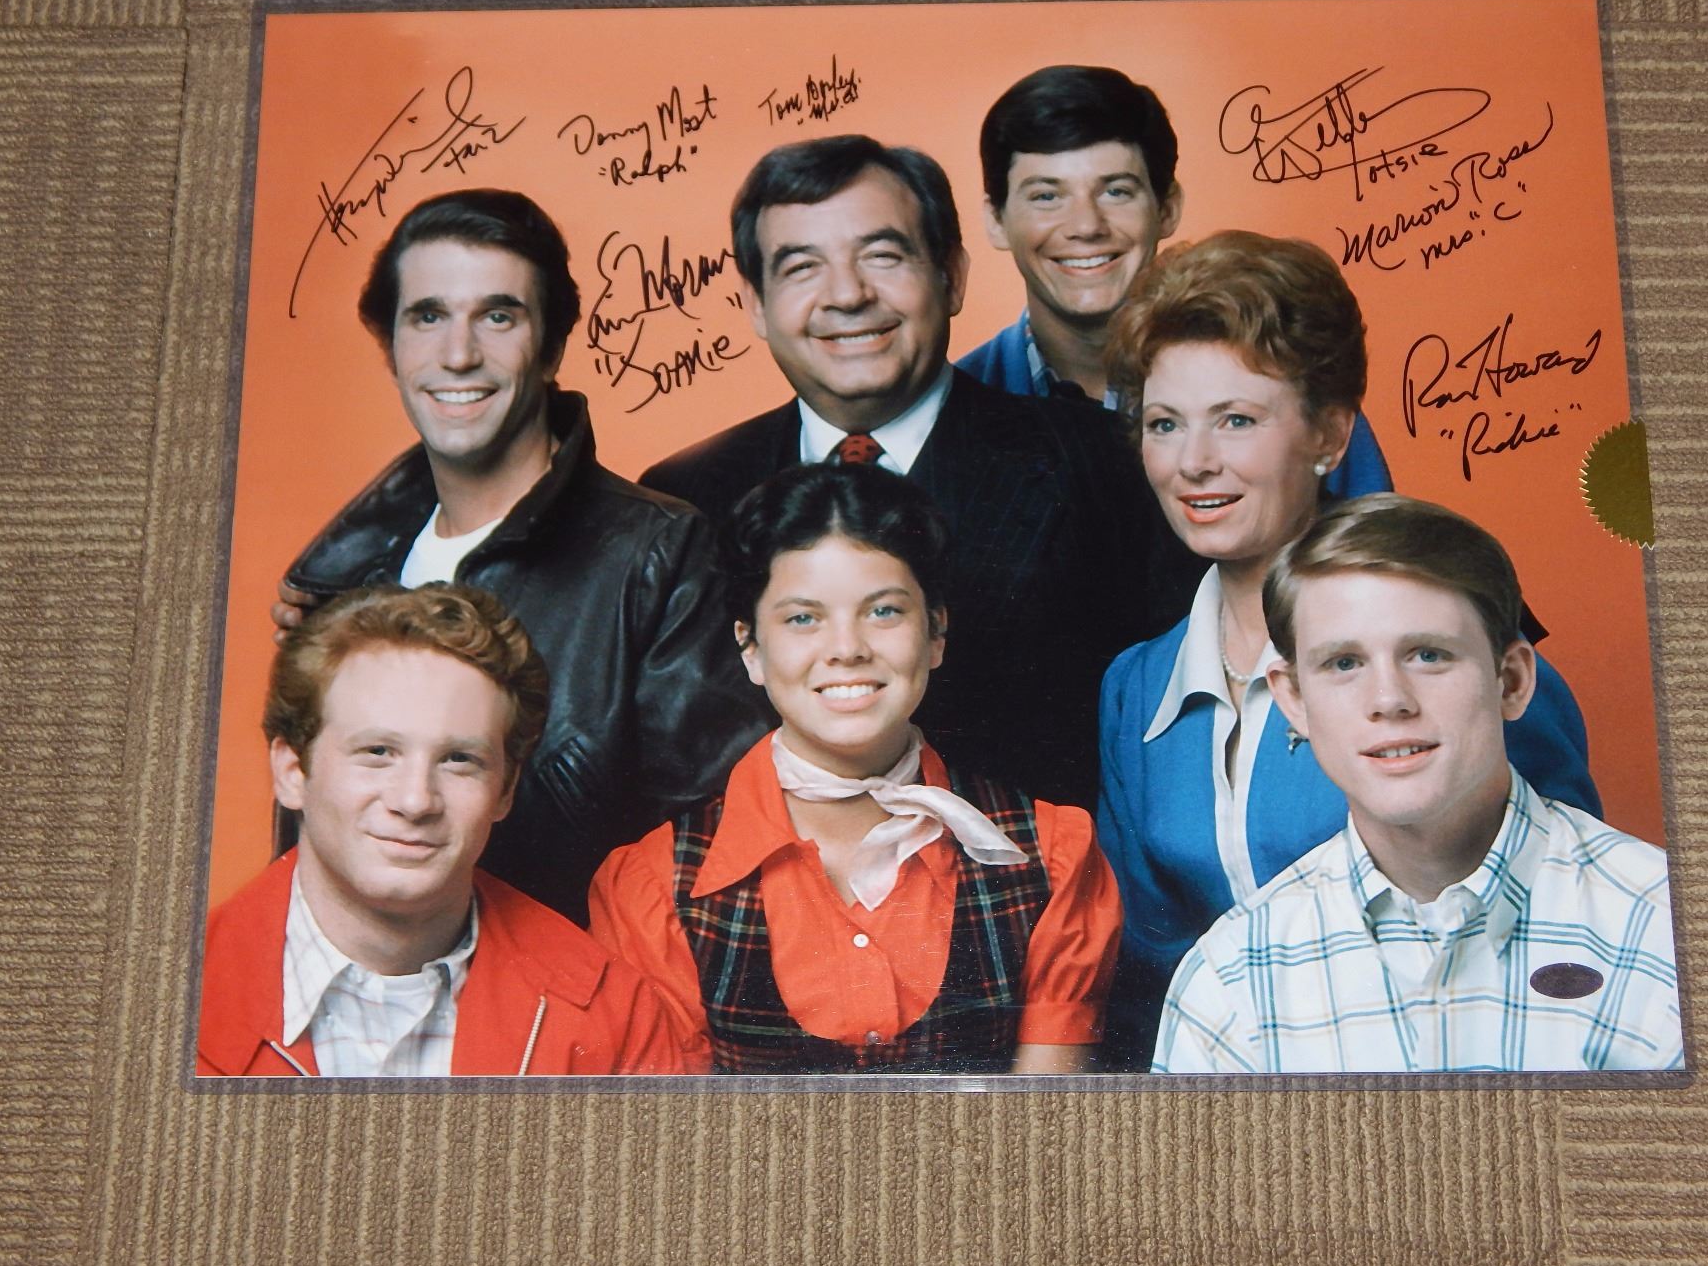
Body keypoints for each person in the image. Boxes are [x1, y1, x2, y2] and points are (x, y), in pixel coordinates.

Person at [1096, 231, 1600, 1067]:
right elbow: (1152, 972)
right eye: (1164, 424)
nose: (1194, 462)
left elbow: (1574, 922)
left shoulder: (1449, 650)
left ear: (1328, 436)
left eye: (1236, 420)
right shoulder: (1136, 687)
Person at [274, 189, 767, 925]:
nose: (458, 354)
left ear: (552, 347)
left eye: (498, 316)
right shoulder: (342, 574)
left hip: (568, 985)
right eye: (428, 316)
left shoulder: (658, 554)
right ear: (391, 347)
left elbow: (713, 856)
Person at [641, 134, 1153, 807]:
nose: (847, 295)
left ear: (953, 276)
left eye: (882, 256)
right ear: (756, 304)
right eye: (802, 267)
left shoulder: (1105, 463)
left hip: (1040, 865)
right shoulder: (681, 500)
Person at [589, 464, 1122, 1073]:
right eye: (802, 618)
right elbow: (676, 1129)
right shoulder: (653, 885)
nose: (847, 649)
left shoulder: (1052, 855)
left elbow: (1045, 1120)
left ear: (936, 632)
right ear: (750, 648)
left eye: (884, 611)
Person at [1152, 495, 1682, 1073]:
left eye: (1428, 655)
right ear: (1294, 700)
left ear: (1511, 681)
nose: (1389, 700)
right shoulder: (1230, 981)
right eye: (1344, 663)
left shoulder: (1669, 932)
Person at [198, 584, 688, 1077]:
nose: (415, 801)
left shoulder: (615, 1014)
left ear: (505, 790)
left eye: (458, 760)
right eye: (377, 752)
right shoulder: (171, 994)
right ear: (291, 772)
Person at [957, 64, 1392, 498]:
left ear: (1167, 208)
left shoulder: (1286, 376)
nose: (1086, 226)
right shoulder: (955, 408)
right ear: (996, 221)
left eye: (1116, 191)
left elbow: (1375, 535)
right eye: (1047, 196)